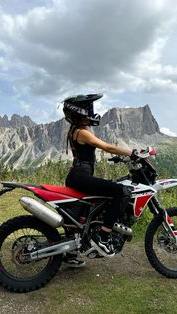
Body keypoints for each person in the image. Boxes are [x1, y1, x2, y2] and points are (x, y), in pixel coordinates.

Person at [62, 93, 134, 264]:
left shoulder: (74, 130)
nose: (92, 113)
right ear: (81, 112)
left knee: (79, 215)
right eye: (90, 109)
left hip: (76, 176)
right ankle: (102, 237)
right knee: (121, 191)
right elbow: (107, 147)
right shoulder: (82, 132)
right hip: (81, 176)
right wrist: (132, 152)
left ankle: (71, 253)